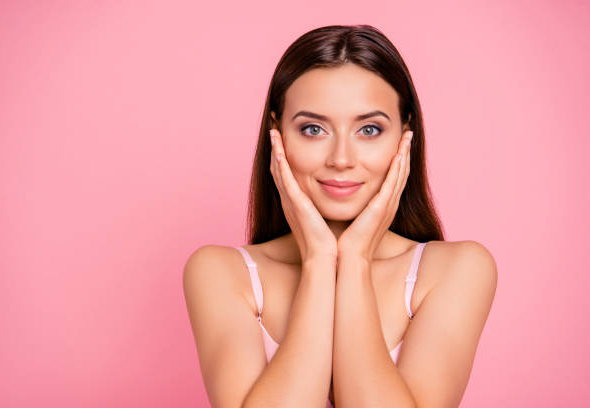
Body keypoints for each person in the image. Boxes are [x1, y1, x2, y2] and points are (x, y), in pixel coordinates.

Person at [183, 24, 497, 408]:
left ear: (405, 135)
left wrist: (355, 259)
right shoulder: (220, 272)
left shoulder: (457, 269)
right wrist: (318, 259)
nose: (341, 159)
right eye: (313, 129)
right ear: (276, 133)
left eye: (369, 129)